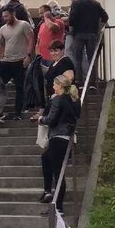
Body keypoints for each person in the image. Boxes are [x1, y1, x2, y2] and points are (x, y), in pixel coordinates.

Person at [38, 74, 81, 210]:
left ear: (60, 86)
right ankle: (48, 192)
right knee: (46, 158)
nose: (52, 86)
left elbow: (52, 119)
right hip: (68, 138)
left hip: (58, 138)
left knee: (58, 172)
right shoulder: (73, 100)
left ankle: (58, 207)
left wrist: (40, 119)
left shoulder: (59, 99)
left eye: (54, 84)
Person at [0, 9, 35, 119]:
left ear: (13, 14)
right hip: (6, 61)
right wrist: (0, 57)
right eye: (4, 17)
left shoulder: (23, 25)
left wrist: (28, 55)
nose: (5, 19)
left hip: (19, 60)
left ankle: (18, 112)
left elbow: (31, 39)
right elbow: (2, 44)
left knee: (19, 87)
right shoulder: (3, 28)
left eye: (7, 16)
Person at [67, 0, 108, 75]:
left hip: (78, 34)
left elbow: (71, 20)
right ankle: (93, 81)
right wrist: (98, 28)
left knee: (78, 58)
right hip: (92, 34)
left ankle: (79, 80)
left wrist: (72, 26)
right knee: (91, 58)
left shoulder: (76, 3)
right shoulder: (95, 3)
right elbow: (105, 17)